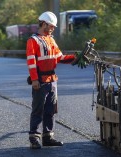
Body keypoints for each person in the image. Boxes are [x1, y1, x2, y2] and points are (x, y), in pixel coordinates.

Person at [26, 11, 87, 149]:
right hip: (40, 81)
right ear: (44, 24)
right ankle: (34, 138)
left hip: (52, 80)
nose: (53, 28)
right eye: (51, 26)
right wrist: (34, 79)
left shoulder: (51, 39)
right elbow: (31, 62)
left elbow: (59, 57)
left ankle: (48, 137)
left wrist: (76, 57)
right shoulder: (33, 40)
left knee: (51, 109)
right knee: (38, 110)